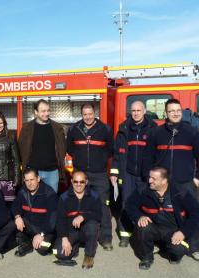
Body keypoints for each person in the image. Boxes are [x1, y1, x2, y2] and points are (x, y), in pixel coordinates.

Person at [143, 98, 199, 262]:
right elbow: (147, 158)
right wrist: (150, 179)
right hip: (162, 185)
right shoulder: (157, 133)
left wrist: (198, 179)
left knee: (191, 215)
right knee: (160, 214)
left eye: (178, 110)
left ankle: (194, 247)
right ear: (166, 113)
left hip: (185, 183)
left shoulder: (191, 131)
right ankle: (162, 243)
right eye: (171, 111)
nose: (175, 113)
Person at [126, 166, 199, 270]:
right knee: (143, 227)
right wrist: (139, 216)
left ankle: (167, 249)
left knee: (177, 252)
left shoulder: (180, 192)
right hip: (154, 228)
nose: (149, 181)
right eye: (150, 177)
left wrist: (183, 232)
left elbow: (197, 214)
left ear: (164, 181)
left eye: (154, 179)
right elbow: (129, 205)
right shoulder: (142, 190)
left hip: (174, 231)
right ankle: (146, 258)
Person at [66, 103, 114, 250]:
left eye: (90, 114)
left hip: (99, 174)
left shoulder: (104, 129)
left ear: (95, 113)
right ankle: (79, 235)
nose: (87, 117)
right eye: (85, 114)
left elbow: (111, 150)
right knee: (79, 204)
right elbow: (70, 149)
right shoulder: (74, 129)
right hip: (81, 173)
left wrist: (98, 160)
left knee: (103, 206)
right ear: (82, 115)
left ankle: (105, 238)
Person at [110, 101, 157, 247]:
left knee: (147, 204)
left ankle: (145, 234)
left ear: (145, 111)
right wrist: (114, 172)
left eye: (139, 110)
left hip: (145, 175)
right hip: (128, 174)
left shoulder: (153, 128)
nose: (136, 113)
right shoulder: (124, 128)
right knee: (126, 204)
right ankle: (125, 234)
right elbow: (117, 153)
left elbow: (157, 152)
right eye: (133, 110)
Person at [54, 171, 102, 269]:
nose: (78, 184)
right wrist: (64, 239)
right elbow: (60, 220)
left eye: (82, 182)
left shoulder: (94, 196)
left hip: (86, 231)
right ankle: (74, 247)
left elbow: (99, 215)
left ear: (86, 182)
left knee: (93, 225)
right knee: (59, 254)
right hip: (71, 232)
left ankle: (89, 256)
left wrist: (83, 217)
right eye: (76, 181)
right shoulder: (64, 197)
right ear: (71, 181)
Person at [18, 99, 66, 193]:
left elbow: (62, 148)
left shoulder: (57, 128)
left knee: (51, 200)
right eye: (43, 111)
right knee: (33, 201)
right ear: (36, 112)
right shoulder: (26, 128)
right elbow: (21, 148)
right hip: (33, 172)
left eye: (48, 110)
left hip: (52, 172)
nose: (46, 113)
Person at [11, 168, 58, 257]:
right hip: (30, 226)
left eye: (32, 179)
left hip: (45, 229)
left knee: (42, 249)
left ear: (38, 179)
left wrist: (41, 234)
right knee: (12, 223)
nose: (30, 183)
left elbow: (53, 220)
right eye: (27, 180)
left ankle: (52, 244)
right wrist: (17, 217)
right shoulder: (22, 191)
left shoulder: (49, 193)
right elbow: (15, 205)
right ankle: (28, 243)